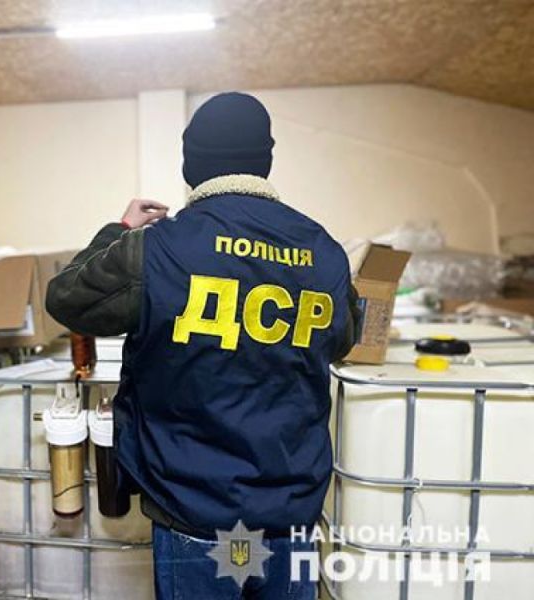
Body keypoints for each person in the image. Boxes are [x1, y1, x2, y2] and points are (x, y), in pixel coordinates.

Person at [46, 92, 360, 599]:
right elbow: (344, 340)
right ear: (265, 160)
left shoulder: (157, 248)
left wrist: (119, 230)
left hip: (193, 510)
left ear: (191, 164)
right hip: (291, 515)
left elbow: (66, 299)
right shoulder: (324, 250)